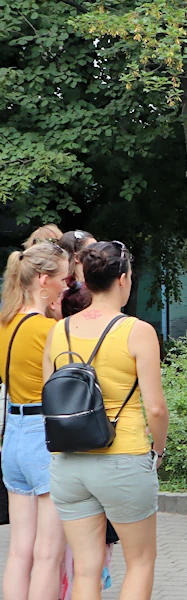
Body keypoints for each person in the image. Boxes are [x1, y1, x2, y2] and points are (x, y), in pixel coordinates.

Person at [44, 241, 168, 600]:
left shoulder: (60, 330)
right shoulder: (136, 331)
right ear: (123, 279)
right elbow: (156, 409)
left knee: (85, 568)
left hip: (68, 462)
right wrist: (157, 451)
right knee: (140, 561)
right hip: (122, 456)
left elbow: (47, 394)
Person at [1, 242, 70, 600]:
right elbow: (66, 383)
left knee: (19, 551)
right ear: (43, 280)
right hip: (42, 436)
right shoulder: (48, 330)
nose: (67, 285)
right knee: (48, 554)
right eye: (63, 278)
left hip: (12, 435)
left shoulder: (5, 323)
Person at [56, 230, 98, 318]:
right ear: (77, 257)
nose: (99, 254)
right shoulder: (60, 291)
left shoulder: (95, 287)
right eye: (93, 251)